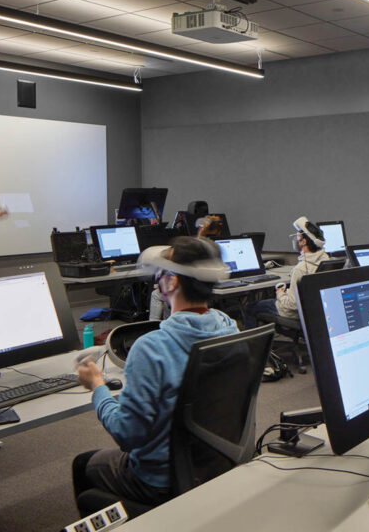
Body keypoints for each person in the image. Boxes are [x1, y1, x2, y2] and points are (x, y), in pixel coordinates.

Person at [72, 237, 237, 515]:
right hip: (216, 462)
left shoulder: (152, 348)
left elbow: (128, 435)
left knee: (82, 464)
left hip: (159, 478)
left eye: (161, 273)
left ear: (171, 282)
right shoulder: (228, 327)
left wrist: (98, 385)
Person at [243, 216, 329, 328]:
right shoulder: (326, 260)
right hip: (315, 311)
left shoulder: (301, 269)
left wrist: (280, 294)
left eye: (297, 237)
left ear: (303, 242)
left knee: (250, 308)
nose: (295, 241)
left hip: (294, 313)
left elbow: (291, 305)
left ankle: (254, 344)